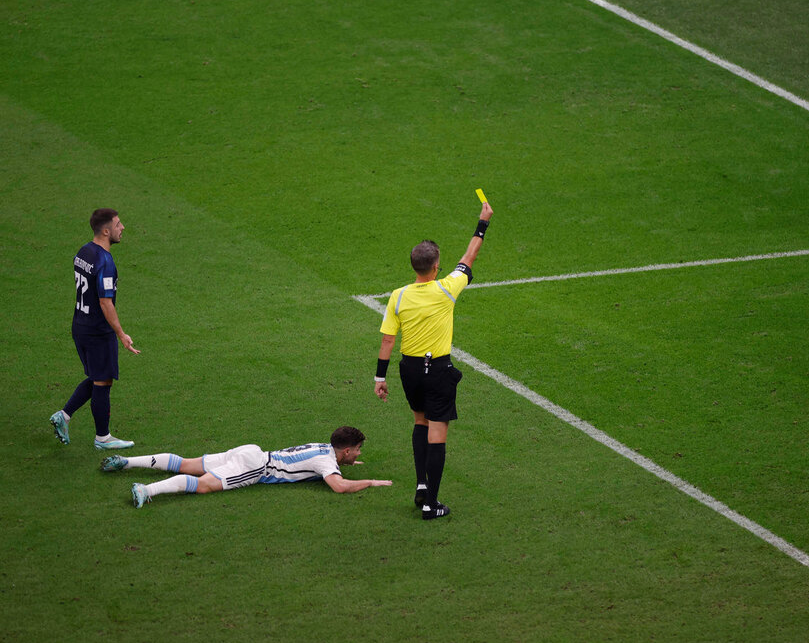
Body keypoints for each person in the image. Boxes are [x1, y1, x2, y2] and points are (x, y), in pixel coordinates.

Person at [373, 200, 494, 520]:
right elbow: (469, 257)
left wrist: (379, 378)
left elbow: (388, 339)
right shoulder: (447, 289)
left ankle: (422, 486)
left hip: (409, 370)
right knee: (437, 432)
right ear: (437, 266)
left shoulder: (398, 295)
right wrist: (483, 223)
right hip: (437, 370)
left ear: (414, 266)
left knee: (419, 422)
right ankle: (431, 504)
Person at [100, 426, 392, 507]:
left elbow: (327, 466)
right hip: (256, 468)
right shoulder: (327, 462)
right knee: (202, 486)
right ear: (344, 451)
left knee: (188, 463)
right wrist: (372, 482)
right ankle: (146, 489)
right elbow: (339, 487)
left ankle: (127, 463)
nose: (357, 454)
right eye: (356, 451)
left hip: (249, 451)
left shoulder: (323, 450)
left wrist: (348, 464)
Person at [50, 208, 140, 450]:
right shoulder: (105, 261)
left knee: (97, 377)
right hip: (98, 331)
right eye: (119, 224)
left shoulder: (83, 252)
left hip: (79, 325)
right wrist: (121, 334)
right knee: (103, 381)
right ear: (106, 230)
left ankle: (64, 415)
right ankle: (103, 437)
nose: (123, 228)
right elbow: (105, 301)